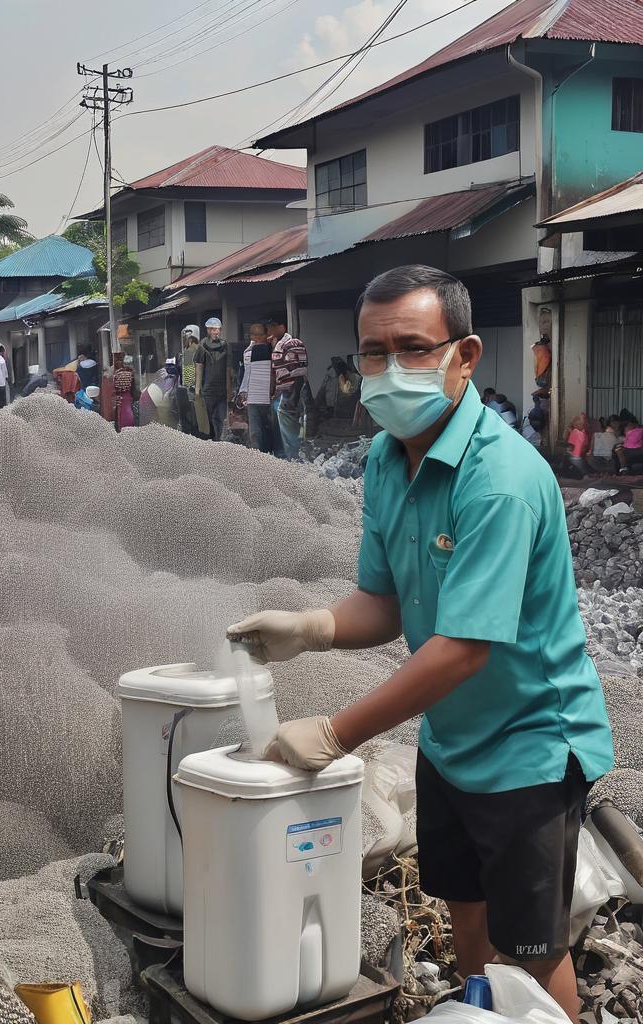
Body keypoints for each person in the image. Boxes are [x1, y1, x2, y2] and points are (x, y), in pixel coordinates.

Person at [227, 265, 612, 1023]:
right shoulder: (386, 457)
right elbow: (385, 603)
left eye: (412, 347)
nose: (388, 368)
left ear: (464, 355)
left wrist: (337, 733)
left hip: (529, 746)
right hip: (452, 740)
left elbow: (465, 648)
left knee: (533, 950)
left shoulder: (497, 478)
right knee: (466, 914)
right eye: (374, 352)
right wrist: (312, 629)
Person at [269, 313, 307, 459]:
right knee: (284, 434)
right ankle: (288, 460)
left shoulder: (292, 344)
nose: (270, 331)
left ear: (281, 327)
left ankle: (294, 462)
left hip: (289, 395)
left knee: (290, 433)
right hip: (283, 395)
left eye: (273, 327)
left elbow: (299, 372)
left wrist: (292, 398)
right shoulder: (278, 345)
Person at [238, 322, 276, 454]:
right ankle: (266, 456)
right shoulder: (272, 349)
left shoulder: (250, 351)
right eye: (255, 335)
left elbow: (246, 373)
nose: (256, 338)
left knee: (257, 431)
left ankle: (260, 457)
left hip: (260, 396)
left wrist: (243, 391)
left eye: (258, 335)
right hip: (264, 396)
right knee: (266, 429)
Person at [194, 317, 229, 441]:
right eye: (212, 329)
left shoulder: (225, 345)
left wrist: (231, 389)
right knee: (207, 419)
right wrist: (197, 389)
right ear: (208, 330)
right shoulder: (202, 345)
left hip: (223, 390)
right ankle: (210, 441)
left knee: (220, 418)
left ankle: (218, 442)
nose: (215, 332)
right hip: (208, 389)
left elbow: (229, 368)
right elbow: (199, 366)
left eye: (217, 329)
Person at [177, 326, 201, 436]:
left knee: (188, 425)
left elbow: (187, 378)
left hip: (189, 392)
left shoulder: (188, 353)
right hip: (201, 391)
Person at [113, 354, 136, 430]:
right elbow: (133, 387)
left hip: (119, 396)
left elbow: (114, 387)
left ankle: (121, 428)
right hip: (128, 395)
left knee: (121, 412)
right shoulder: (131, 374)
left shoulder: (117, 374)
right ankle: (130, 427)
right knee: (128, 410)